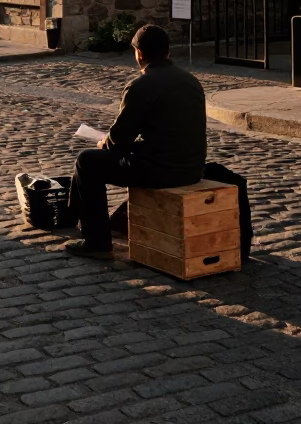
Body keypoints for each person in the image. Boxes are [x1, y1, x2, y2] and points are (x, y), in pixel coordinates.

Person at [65, 24, 206, 259]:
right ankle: (80, 217)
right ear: (167, 52)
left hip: (162, 171)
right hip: (193, 167)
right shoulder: (190, 80)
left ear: (139, 53)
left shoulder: (141, 86)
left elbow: (118, 141)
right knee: (108, 158)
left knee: (86, 161)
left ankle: (96, 241)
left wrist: (104, 142)